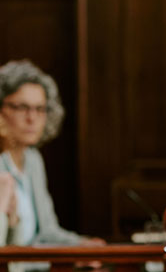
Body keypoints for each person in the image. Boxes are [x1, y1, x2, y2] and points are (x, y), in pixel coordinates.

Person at [0, 60, 103, 247]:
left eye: (40, 109)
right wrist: (67, 259)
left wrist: (81, 246)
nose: (32, 118)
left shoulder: (33, 160)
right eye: (21, 107)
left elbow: (47, 232)